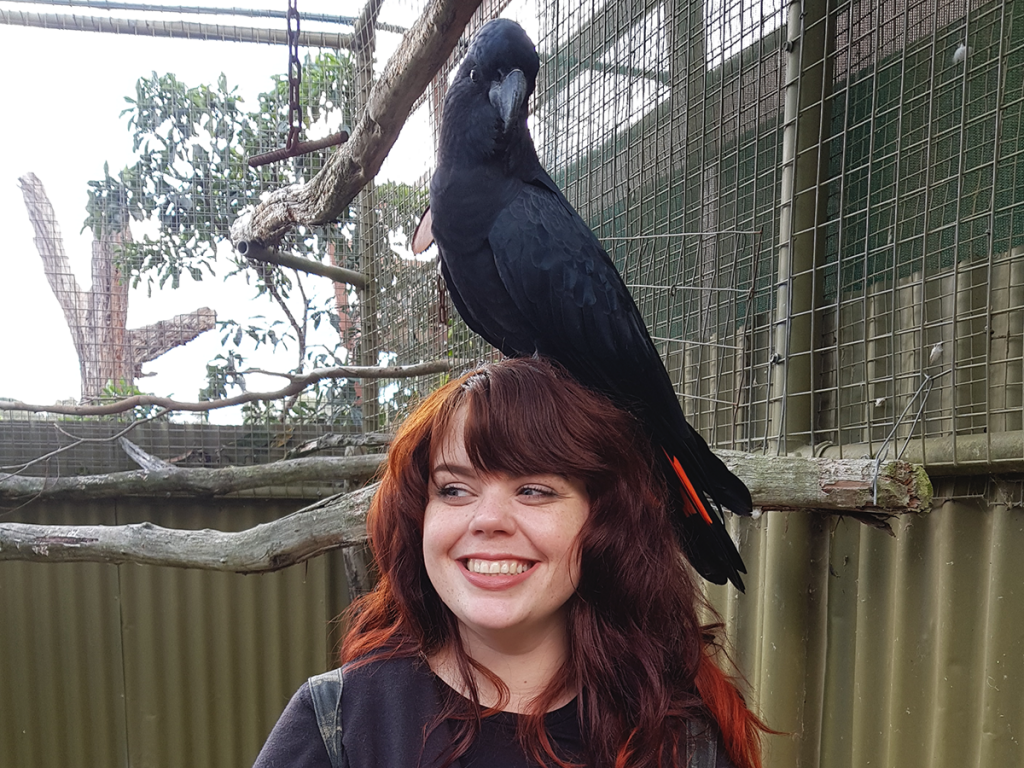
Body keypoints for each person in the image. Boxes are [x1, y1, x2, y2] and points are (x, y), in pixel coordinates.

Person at [252, 357, 768, 768]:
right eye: (454, 489)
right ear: (418, 518)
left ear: (603, 520)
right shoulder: (338, 724)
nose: (489, 519)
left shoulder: (680, 739)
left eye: (535, 489)